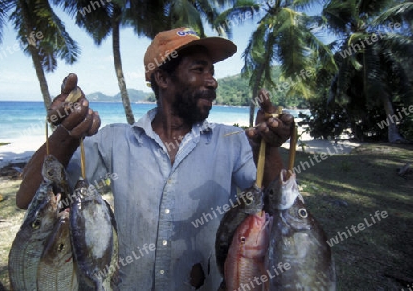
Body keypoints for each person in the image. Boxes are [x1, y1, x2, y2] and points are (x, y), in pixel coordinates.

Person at [16, 27, 293, 290]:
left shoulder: (232, 141)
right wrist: (65, 133)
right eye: (199, 69)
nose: (212, 81)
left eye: (212, 71)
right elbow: (28, 198)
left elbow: (279, 207)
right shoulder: (115, 140)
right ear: (162, 78)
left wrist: (267, 149)